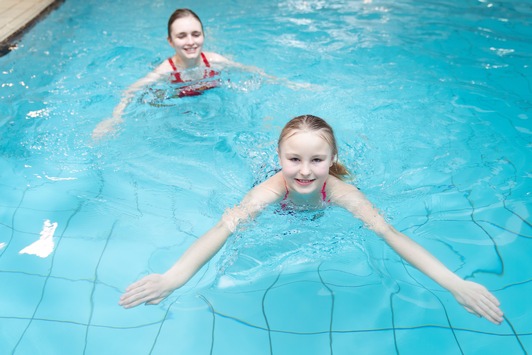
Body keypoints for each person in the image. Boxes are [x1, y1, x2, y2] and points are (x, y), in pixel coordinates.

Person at [119, 114, 504, 325]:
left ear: (332, 160)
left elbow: (390, 234)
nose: (304, 172)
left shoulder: (341, 193)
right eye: (294, 159)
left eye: (317, 160)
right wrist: (173, 277)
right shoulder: (269, 190)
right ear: (279, 159)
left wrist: (454, 283)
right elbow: (223, 228)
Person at [92, 8, 282, 139]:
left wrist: (286, 83)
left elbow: (254, 72)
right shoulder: (165, 72)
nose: (190, 42)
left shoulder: (215, 61)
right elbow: (130, 91)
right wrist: (114, 119)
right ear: (170, 41)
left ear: (203, 36)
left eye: (196, 34)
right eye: (181, 36)